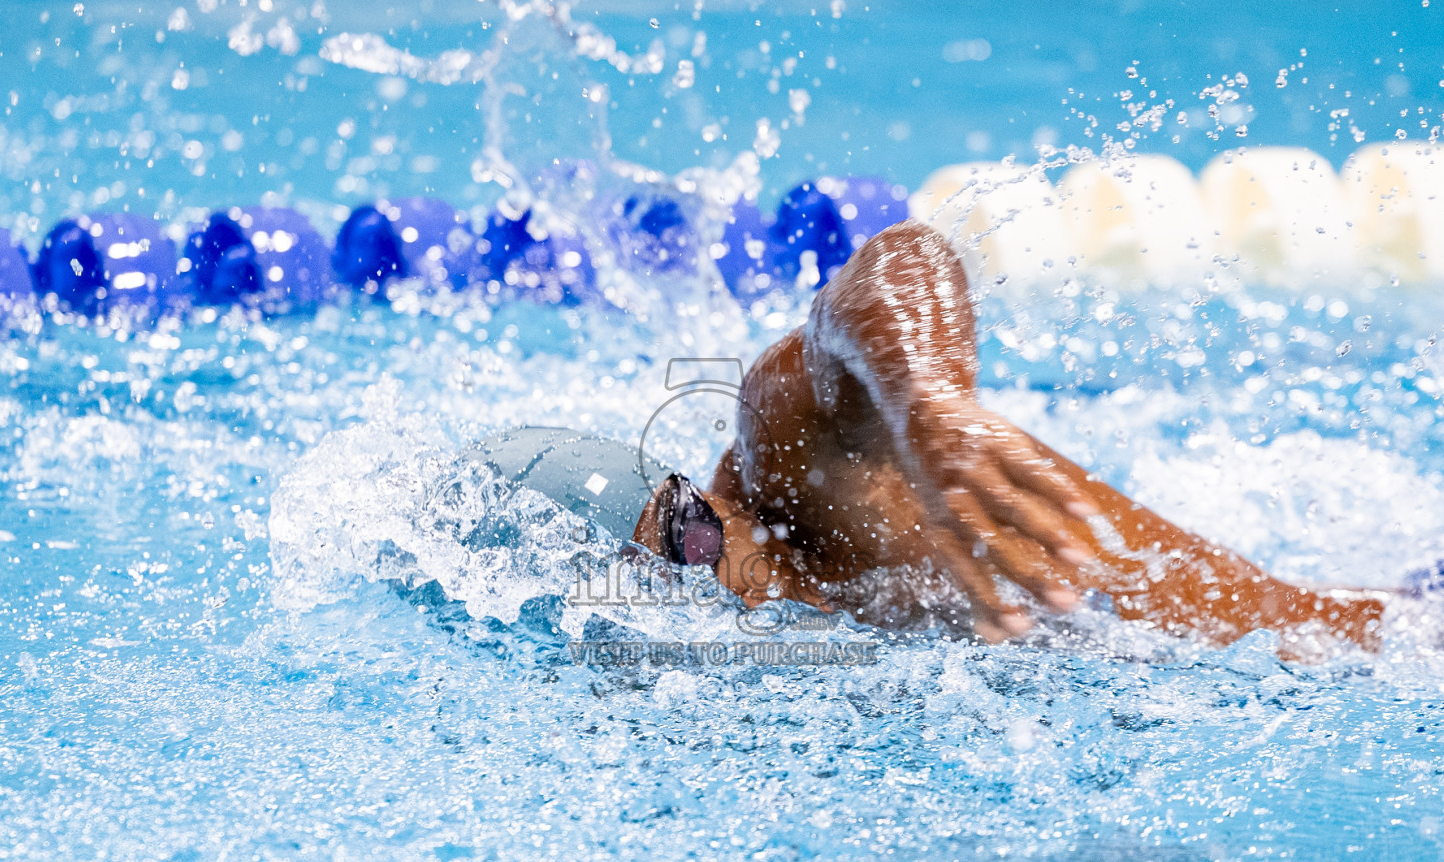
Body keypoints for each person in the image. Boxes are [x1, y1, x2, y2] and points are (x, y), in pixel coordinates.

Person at [477, 221, 1386, 652]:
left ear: (703, 493)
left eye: (691, 532)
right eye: (668, 585)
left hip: (1373, 645)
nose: (717, 579)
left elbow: (897, 265)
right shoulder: (749, 654)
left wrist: (929, 408)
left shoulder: (786, 461)